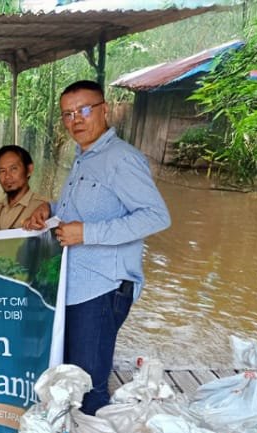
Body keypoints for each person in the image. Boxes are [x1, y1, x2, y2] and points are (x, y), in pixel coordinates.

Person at [23, 80, 171, 415]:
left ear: (105, 110)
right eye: (67, 114)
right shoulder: (83, 157)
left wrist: (87, 234)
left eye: (84, 110)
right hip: (76, 286)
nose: (76, 119)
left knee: (89, 386)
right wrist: (49, 208)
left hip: (104, 289)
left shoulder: (122, 159)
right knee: (70, 377)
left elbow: (155, 217)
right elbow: (79, 209)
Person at [0, 145, 47, 230]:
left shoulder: (42, 207)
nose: (7, 176)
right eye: (2, 171)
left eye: (13, 169)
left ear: (29, 170)